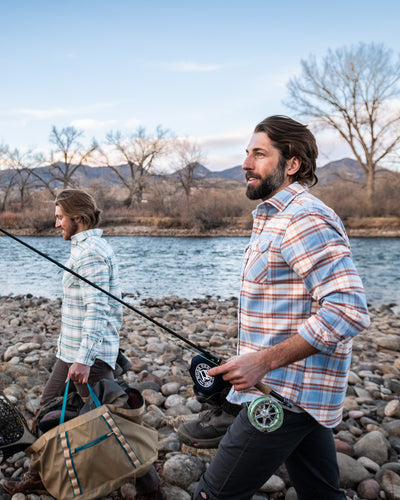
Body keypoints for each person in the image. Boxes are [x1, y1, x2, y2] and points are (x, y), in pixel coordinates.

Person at [184, 116, 370, 500]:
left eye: (259, 154)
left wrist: (262, 362)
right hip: (300, 395)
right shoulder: (273, 216)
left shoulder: (303, 219)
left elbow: (348, 309)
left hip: (283, 397)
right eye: (246, 154)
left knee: (213, 495)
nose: (246, 164)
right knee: (321, 494)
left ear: (292, 163)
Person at [2, 189, 163, 499]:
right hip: (72, 352)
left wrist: (85, 360)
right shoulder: (86, 247)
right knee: (48, 407)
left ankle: (152, 488)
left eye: (60, 218)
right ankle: (42, 474)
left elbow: (98, 309)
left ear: (77, 218)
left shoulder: (90, 253)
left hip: (88, 356)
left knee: (112, 426)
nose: (56, 224)